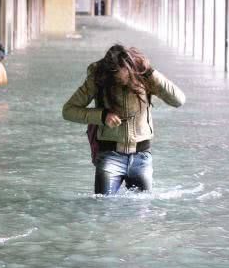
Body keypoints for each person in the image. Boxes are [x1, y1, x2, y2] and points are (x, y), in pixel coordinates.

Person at [62, 44, 186, 195]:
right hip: (109, 156)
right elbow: (68, 111)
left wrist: (151, 73)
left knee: (142, 213)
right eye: (115, 75)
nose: (121, 78)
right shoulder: (98, 79)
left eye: (124, 72)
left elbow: (179, 100)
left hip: (142, 157)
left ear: (129, 66)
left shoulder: (145, 76)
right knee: (104, 209)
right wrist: (102, 116)